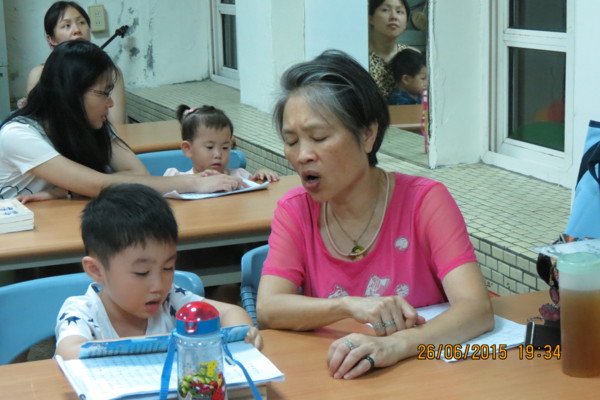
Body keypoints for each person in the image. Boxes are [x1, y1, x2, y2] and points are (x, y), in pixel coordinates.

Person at [257, 50, 494, 379]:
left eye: (319, 137)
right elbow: (269, 308)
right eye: (292, 141)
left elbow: (476, 309)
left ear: (367, 134)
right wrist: (349, 304)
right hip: (339, 379)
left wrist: (395, 346)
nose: (303, 155)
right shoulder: (295, 209)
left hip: (428, 378)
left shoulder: (425, 202)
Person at [0, 40, 243, 201]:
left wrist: (70, 190)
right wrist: (193, 183)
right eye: (103, 93)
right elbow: (98, 185)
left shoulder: (90, 124)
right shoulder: (18, 135)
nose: (111, 103)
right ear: (71, 93)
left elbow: (138, 174)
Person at [55, 183, 262, 360]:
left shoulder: (171, 299)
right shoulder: (82, 312)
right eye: (142, 272)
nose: (158, 285)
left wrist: (243, 335)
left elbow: (232, 312)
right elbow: (68, 352)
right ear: (96, 270)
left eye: (167, 268)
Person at [23, 1, 126, 124]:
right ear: (52, 39)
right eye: (67, 25)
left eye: (81, 22)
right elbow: (38, 124)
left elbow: (116, 126)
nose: (77, 30)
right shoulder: (39, 74)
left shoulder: (110, 72)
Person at [164, 105, 279, 182]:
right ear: (188, 149)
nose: (218, 154)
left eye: (225, 147)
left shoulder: (240, 176)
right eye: (210, 147)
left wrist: (261, 176)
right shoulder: (175, 180)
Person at [368, 0, 415, 98]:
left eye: (399, 12)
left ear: (406, 23)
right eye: (385, 10)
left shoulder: (412, 55)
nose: (394, 16)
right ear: (370, 18)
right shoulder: (359, 54)